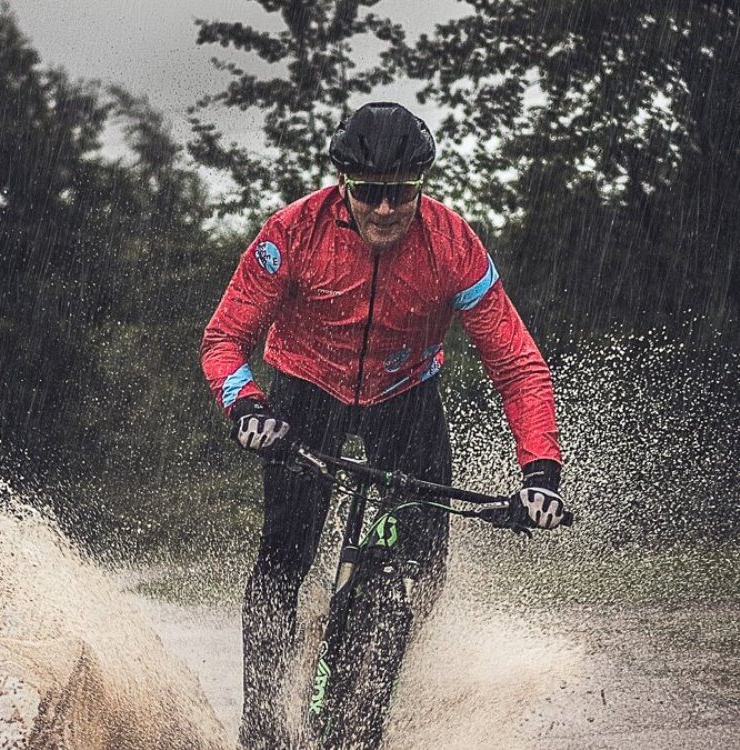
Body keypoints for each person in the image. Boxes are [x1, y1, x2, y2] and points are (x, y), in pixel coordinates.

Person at [200, 101, 566, 750]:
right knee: (285, 558)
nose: (386, 208)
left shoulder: (453, 245)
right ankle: (261, 728)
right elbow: (225, 339)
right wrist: (248, 409)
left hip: (406, 398)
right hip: (305, 394)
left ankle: (363, 682)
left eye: (401, 193)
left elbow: (519, 366)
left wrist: (540, 472)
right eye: (370, 193)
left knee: (421, 566)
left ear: (419, 187)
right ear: (345, 184)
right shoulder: (292, 233)